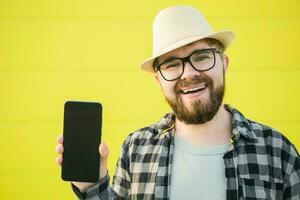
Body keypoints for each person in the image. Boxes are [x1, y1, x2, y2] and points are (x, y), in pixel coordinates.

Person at [56, 5, 300, 200]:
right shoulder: (136, 149)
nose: (187, 74)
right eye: (172, 64)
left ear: (224, 64)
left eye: (202, 57)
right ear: (158, 81)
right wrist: (91, 184)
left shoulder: (278, 151)